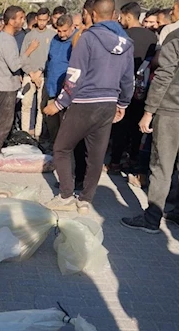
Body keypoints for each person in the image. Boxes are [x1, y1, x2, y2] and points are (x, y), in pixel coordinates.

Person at [43, 0, 134, 214]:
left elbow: (74, 75)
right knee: (95, 155)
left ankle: (66, 196)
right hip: (108, 104)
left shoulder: (88, 38)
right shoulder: (127, 43)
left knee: (61, 148)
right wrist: (123, 103)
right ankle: (85, 200)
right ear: (113, 14)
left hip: (85, 102)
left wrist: (59, 103)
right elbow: (128, 79)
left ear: (91, 14)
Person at [121, 28, 179, 233]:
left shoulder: (176, 37)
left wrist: (149, 111)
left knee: (161, 166)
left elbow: (164, 75)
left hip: (171, 109)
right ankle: (176, 211)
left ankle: (151, 219)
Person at [108, 2, 157, 174]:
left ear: (128, 16)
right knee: (137, 126)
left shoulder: (122, 35)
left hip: (122, 87)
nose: (121, 20)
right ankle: (133, 159)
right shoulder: (152, 37)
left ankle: (114, 162)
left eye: (122, 17)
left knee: (120, 125)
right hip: (143, 90)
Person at [0, 6, 38, 153]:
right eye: (20, 18)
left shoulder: (6, 38)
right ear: (11, 21)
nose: (23, 21)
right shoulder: (5, 40)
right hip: (5, 88)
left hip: (5, 85)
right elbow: (14, 64)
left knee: (3, 122)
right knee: (3, 123)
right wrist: (29, 50)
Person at [20, 8, 55, 139]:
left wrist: (40, 71)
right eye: (39, 20)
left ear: (48, 19)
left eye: (44, 20)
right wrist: (30, 73)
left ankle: (38, 134)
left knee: (41, 107)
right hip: (29, 75)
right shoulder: (29, 35)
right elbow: (23, 56)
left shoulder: (52, 36)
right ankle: (24, 134)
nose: (41, 23)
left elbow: (51, 57)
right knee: (26, 105)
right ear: (36, 19)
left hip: (43, 75)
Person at [44, 14, 76, 146]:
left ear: (72, 27)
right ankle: (54, 145)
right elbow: (50, 60)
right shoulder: (55, 39)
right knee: (52, 121)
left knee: (66, 122)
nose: (61, 34)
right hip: (52, 86)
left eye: (64, 31)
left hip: (67, 89)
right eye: (59, 30)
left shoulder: (77, 41)